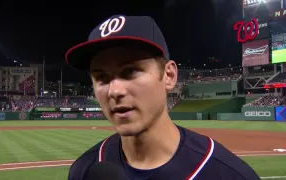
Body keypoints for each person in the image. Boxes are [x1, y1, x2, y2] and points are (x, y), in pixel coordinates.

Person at [65, 15, 260, 180]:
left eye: (130, 71)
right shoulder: (83, 170)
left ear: (169, 76)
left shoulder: (228, 174)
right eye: (101, 78)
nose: (114, 91)